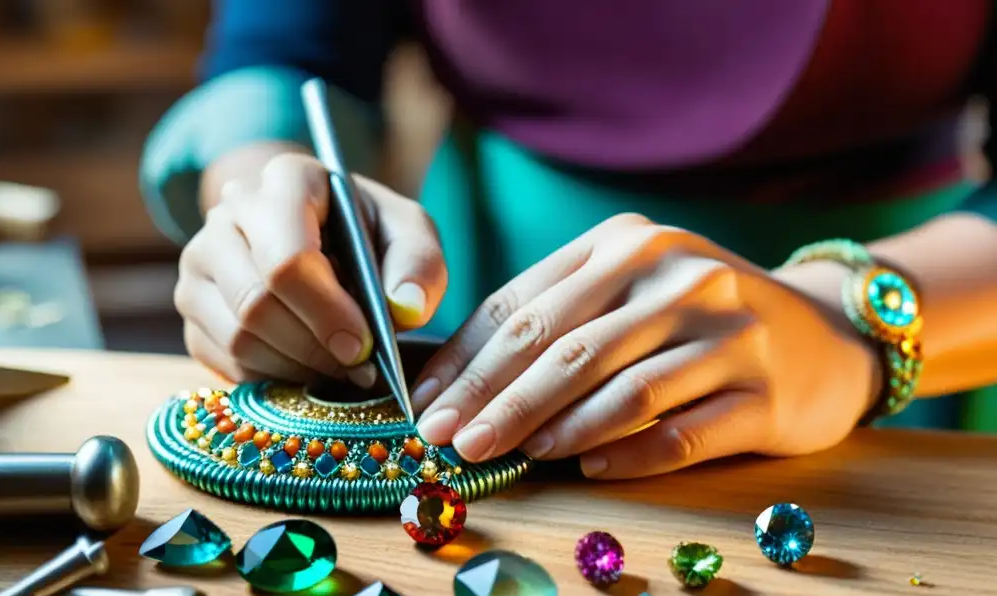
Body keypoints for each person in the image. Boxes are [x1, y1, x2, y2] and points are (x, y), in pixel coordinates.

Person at [141, 0, 997, 479]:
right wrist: (265, 197)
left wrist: (851, 320)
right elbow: (286, 48)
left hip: (915, 327)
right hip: (461, 321)